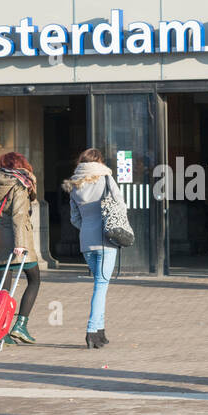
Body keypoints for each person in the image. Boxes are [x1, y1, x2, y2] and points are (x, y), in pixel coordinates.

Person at [64, 148, 118, 349]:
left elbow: (74, 218)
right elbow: (120, 204)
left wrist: (88, 227)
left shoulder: (75, 185)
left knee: (99, 284)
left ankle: (100, 332)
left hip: (86, 241)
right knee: (101, 286)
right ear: (99, 162)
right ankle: (91, 330)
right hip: (105, 240)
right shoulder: (105, 179)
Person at [0, 152, 41, 344]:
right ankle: (20, 325)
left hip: (0, 237)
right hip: (20, 239)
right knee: (34, 279)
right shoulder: (20, 184)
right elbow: (18, 215)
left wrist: (1, 225)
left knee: (4, 288)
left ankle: (1, 330)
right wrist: (20, 244)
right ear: (22, 165)